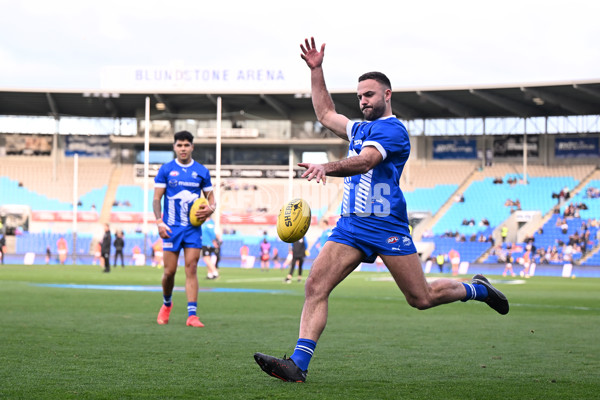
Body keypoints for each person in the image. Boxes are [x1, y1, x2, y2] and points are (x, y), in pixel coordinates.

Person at [254, 37, 509, 383]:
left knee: (421, 298)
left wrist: (326, 168)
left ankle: (478, 289)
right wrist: (317, 71)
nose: (363, 101)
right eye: (360, 96)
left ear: (387, 95)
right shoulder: (359, 128)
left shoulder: (393, 130)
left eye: (369, 95)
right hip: (351, 227)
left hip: (386, 226)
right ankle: (297, 365)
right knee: (315, 286)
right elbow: (326, 113)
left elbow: (366, 161)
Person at [154, 130, 215, 328]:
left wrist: (210, 209)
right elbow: (157, 199)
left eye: (186, 145)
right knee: (169, 272)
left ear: (192, 147)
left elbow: (211, 199)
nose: (183, 148)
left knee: (192, 267)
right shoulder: (166, 170)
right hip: (171, 228)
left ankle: (192, 315)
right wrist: (159, 222)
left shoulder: (201, 171)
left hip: (192, 229)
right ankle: (166, 304)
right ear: (174, 147)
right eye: (179, 145)